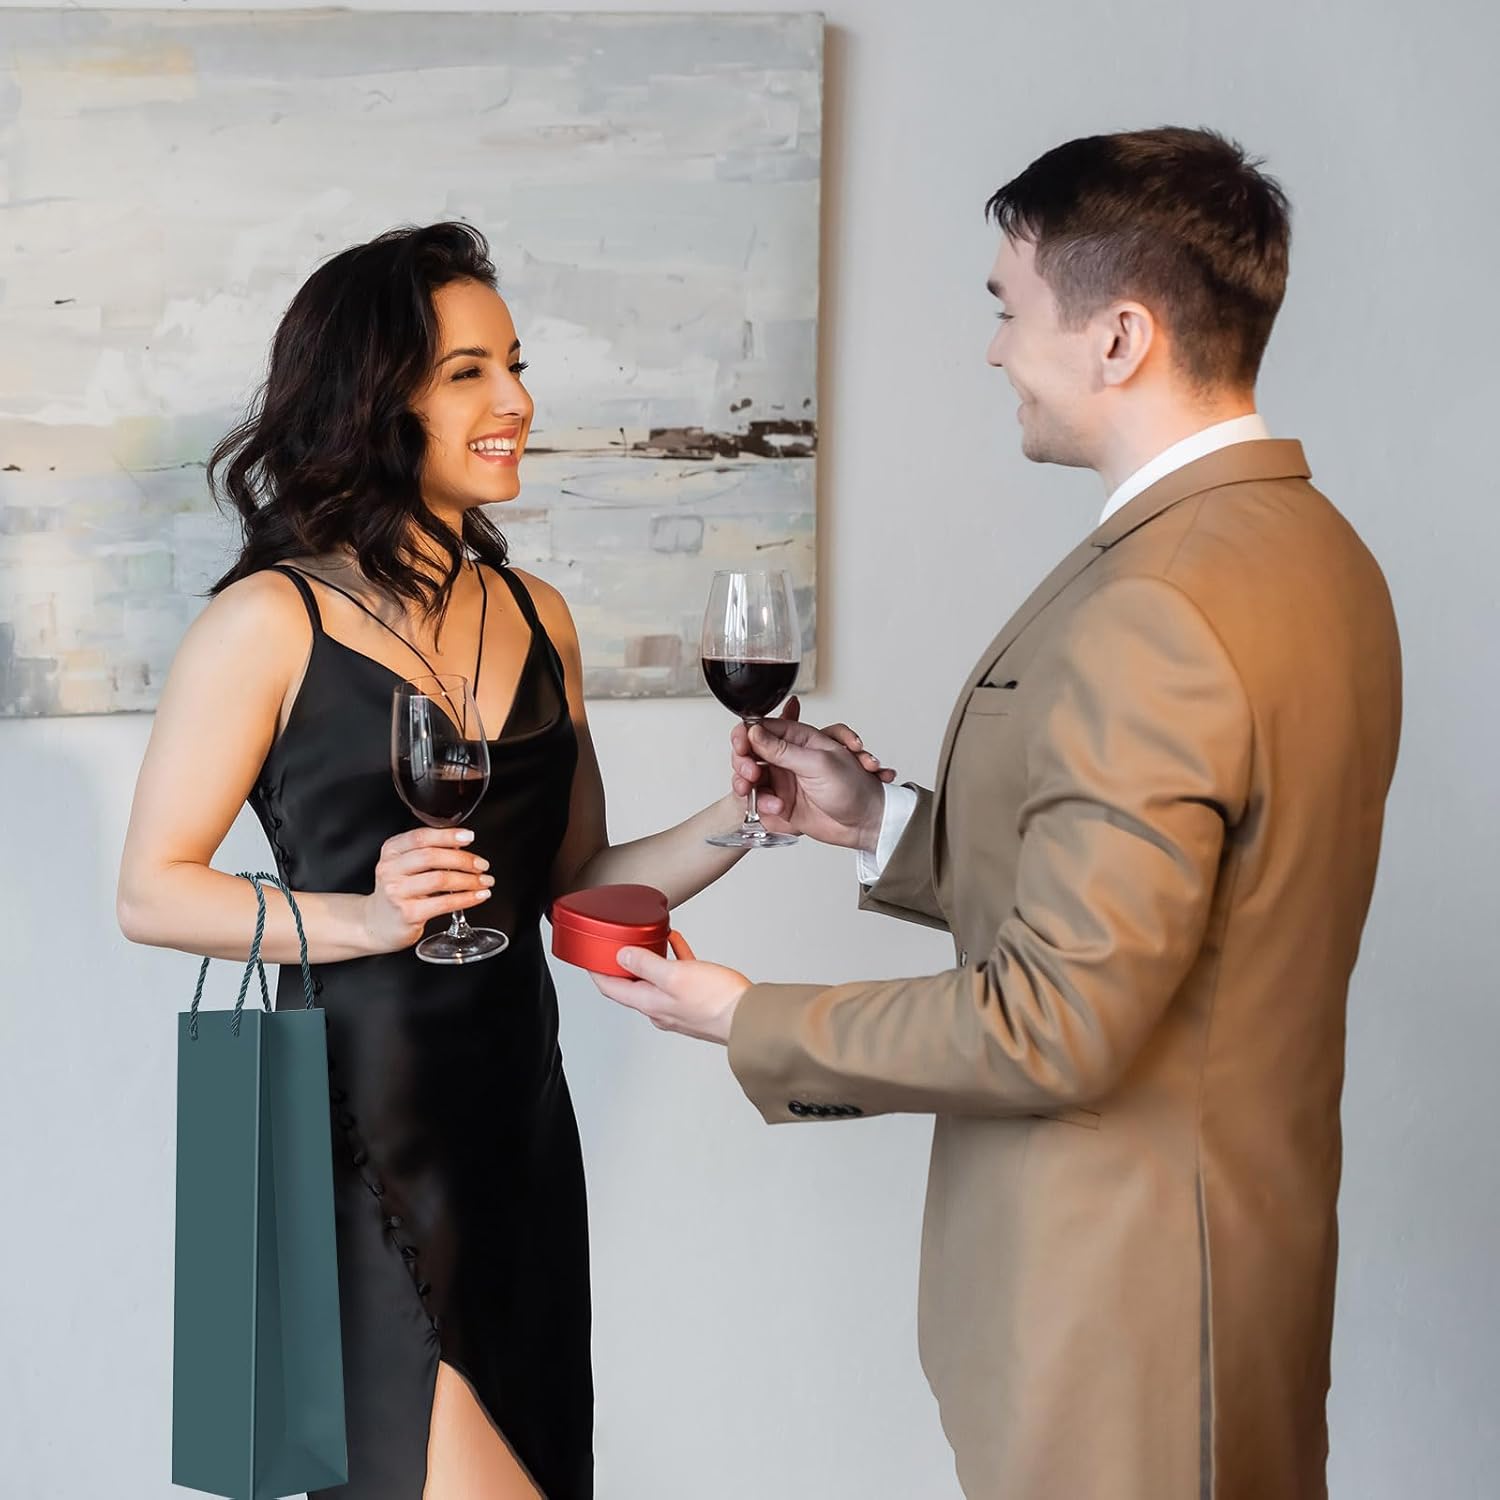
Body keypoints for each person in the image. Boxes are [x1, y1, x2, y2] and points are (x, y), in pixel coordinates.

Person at [592, 128, 1403, 1499]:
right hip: (1228, 1279)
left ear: (1119, 338)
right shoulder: (1312, 552)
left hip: (1119, 1321)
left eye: (1008, 310)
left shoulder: (1158, 602)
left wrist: (746, 1016)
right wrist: (881, 823)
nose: (992, 351)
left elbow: (1059, 1021)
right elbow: (1185, 911)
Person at [116, 221, 879, 1500]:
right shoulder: (267, 621)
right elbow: (152, 891)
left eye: (513, 364)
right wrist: (362, 920)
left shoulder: (538, 617)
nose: (515, 400)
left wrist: (748, 818)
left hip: (518, 1129)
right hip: (356, 1123)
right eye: (468, 372)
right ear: (376, 397)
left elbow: (574, 884)